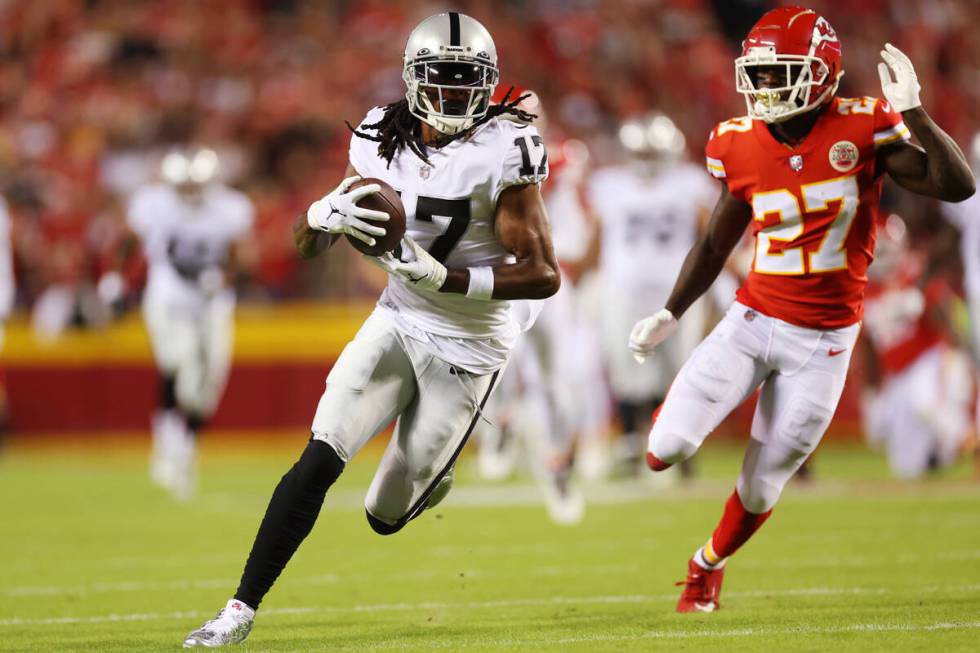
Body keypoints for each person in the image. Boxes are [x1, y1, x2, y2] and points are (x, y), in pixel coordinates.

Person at [183, 12, 559, 647]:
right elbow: (306, 245)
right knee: (318, 458)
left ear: (489, 82)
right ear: (413, 78)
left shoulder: (507, 146)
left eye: (468, 80)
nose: (453, 94)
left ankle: (435, 470)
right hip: (400, 319)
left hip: (474, 342)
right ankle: (238, 611)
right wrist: (320, 213)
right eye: (440, 78)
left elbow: (544, 275)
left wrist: (445, 279)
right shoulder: (378, 136)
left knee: (384, 517)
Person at [627, 6, 975, 613]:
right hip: (752, 321)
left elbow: (957, 185)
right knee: (667, 451)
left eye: (780, 72)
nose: (765, 87)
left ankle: (707, 564)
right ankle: (676, 410)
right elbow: (716, 242)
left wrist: (915, 109)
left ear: (822, 73)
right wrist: (673, 312)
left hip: (826, 342)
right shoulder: (736, 142)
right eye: (758, 75)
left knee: (763, 486)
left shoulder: (864, 126)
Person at [115, 147, 254, 500]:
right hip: (169, 296)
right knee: (175, 361)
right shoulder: (154, 203)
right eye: (184, 185)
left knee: (206, 385)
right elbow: (128, 241)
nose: (189, 192)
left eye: (196, 185)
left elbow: (238, 256)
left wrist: (222, 279)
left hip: (211, 304)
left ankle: (185, 448)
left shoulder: (230, 208)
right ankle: (165, 441)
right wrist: (117, 279)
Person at [590, 111, 718, 476]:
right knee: (625, 365)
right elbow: (597, 237)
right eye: (640, 154)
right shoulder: (609, 183)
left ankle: (679, 444)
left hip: (677, 290)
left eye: (652, 154)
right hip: (623, 287)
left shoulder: (690, 184)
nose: (645, 162)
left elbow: (711, 236)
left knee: (680, 367)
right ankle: (631, 440)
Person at [860, 215, 972, 478]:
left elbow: (941, 307)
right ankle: (936, 460)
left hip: (929, 358)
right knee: (906, 467)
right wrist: (870, 395)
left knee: (924, 402)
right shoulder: (862, 289)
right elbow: (868, 346)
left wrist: (959, 355)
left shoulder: (915, 273)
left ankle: (968, 441)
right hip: (896, 373)